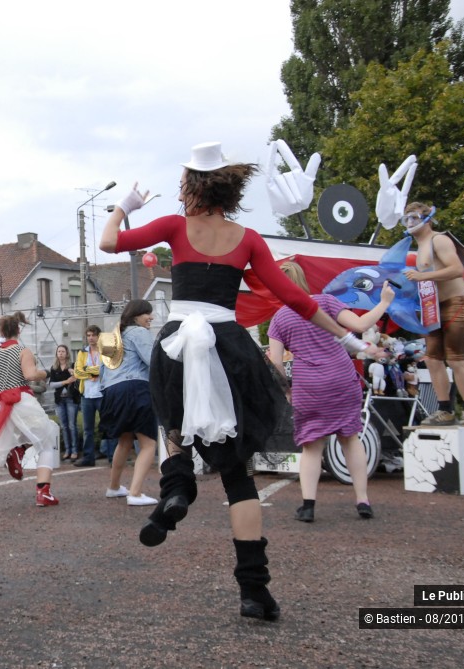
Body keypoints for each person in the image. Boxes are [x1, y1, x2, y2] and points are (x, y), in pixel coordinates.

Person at [99, 141, 367, 621]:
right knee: (237, 472)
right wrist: (349, 339)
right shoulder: (248, 239)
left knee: (174, 426)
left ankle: (177, 487)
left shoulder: (174, 227)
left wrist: (125, 206)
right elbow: (296, 298)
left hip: (178, 341)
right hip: (228, 344)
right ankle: (254, 591)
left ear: (192, 185)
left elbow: (108, 242)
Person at [267, 261, 394, 522]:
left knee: (312, 447)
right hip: (341, 378)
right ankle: (362, 500)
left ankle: (308, 506)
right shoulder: (325, 303)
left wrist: (287, 390)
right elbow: (360, 325)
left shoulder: (279, 319)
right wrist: (384, 302)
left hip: (308, 385)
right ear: (303, 280)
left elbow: (276, 362)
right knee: (350, 438)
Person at [401, 202, 464, 425]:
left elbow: (457, 270)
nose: (410, 223)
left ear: (427, 219)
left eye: (414, 218)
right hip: (433, 306)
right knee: (433, 360)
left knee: (455, 358)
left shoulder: (439, 240)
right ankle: (445, 409)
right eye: (406, 219)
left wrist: (422, 276)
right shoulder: (420, 247)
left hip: (457, 301)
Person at [0, 312, 61, 507]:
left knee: (26, 434)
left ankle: (17, 450)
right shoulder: (23, 350)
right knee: (47, 439)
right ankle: (43, 492)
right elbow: (30, 375)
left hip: (2, 404)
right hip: (21, 400)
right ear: (18, 330)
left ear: (1, 331)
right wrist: (47, 373)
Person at [98, 299, 159, 506]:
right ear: (135, 316)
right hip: (135, 388)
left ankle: (114, 487)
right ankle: (135, 493)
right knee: (148, 443)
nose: (151, 317)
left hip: (112, 392)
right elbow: (153, 360)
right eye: (147, 313)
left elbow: (103, 370)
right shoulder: (139, 332)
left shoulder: (113, 336)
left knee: (124, 440)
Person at [73, 325, 117, 467]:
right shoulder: (82, 352)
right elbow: (77, 372)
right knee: (88, 430)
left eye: (93, 335)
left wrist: (88, 370)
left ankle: (113, 457)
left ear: (99, 336)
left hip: (103, 393)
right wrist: (94, 373)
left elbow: (108, 369)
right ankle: (88, 458)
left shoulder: (106, 351)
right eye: (88, 335)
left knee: (108, 426)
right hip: (87, 395)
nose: (91, 338)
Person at [47, 344, 80, 461]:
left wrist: (74, 374)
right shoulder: (54, 368)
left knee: (72, 425)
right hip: (59, 400)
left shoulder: (73, 365)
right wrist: (65, 381)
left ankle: (75, 450)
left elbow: (77, 379)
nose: (60, 353)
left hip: (71, 399)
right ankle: (67, 450)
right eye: (59, 351)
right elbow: (51, 384)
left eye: (63, 351)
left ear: (67, 353)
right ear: (56, 354)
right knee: (64, 426)